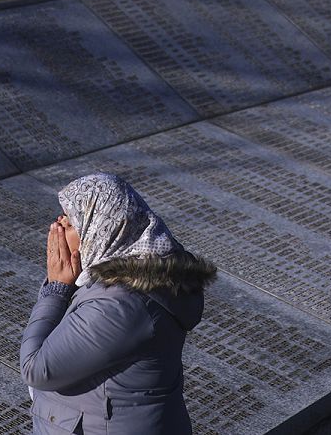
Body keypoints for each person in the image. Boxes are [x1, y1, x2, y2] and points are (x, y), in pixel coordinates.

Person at [20, 172, 217, 434]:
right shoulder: (125, 277)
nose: (57, 226)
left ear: (99, 230)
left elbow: (36, 369)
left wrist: (56, 289)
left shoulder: (121, 305)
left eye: (70, 222)